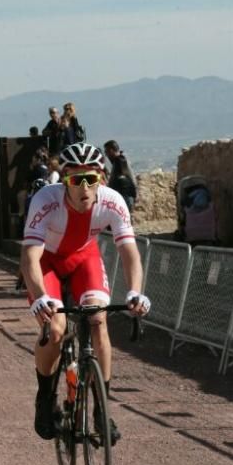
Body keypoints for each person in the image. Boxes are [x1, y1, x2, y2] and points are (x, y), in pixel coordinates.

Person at [20, 142, 151, 443]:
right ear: (63, 180)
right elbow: (29, 259)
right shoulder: (45, 200)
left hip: (83, 258)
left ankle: (102, 410)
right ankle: (44, 397)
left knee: (98, 320)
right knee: (55, 328)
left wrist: (135, 292)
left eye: (90, 179)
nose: (84, 187)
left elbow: (130, 252)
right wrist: (40, 296)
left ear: (101, 179)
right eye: (75, 180)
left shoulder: (113, 201)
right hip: (47, 262)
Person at [103, 140, 138, 218]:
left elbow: (130, 176)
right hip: (122, 196)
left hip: (125, 196)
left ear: (111, 150)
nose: (106, 155)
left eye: (107, 152)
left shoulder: (121, 161)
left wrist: (136, 192)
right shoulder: (117, 161)